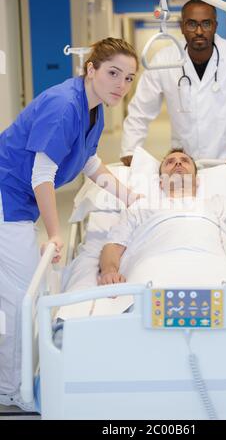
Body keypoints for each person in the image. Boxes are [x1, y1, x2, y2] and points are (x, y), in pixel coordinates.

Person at [0, 37, 139, 410]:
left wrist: (131, 199)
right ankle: (10, 390)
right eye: (113, 73)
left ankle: (17, 378)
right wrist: (56, 233)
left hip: (17, 203)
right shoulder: (64, 105)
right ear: (90, 69)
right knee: (22, 296)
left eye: (128, 79)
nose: (120, 86)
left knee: (26, 292)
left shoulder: (95, 107)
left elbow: (89, 162)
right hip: (6, 197)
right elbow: (41, 176)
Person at [120, 0, 226, 166]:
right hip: (182, 164)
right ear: (182, 27)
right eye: (192, 24)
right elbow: (140, 111)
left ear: (215, 26)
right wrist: (130, 150)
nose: (199, 31)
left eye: (206, 24)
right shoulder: (164, 60)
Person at [100, 149, 226, 286]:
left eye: (184, 161)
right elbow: (114, 246)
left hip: (216, 269)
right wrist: (109, 271)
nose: (177, 164)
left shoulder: (221, 205)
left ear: (197, 180)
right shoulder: (141, 208)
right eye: (170, 162)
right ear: (160, 182)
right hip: (152, 271)